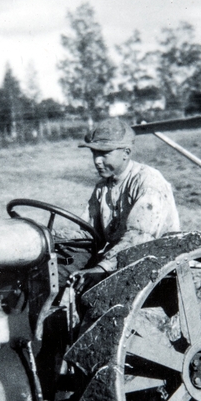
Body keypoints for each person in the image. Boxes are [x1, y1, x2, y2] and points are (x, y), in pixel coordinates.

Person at [64, 117, 180, 289]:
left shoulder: (148, 181)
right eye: (94, 153)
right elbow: (87, 232)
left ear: (126, 152)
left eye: (104, 153)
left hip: (153, 266)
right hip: (118, 261)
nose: (97, 160)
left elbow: (139, 237)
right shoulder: (102, 187)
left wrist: (100, 269)